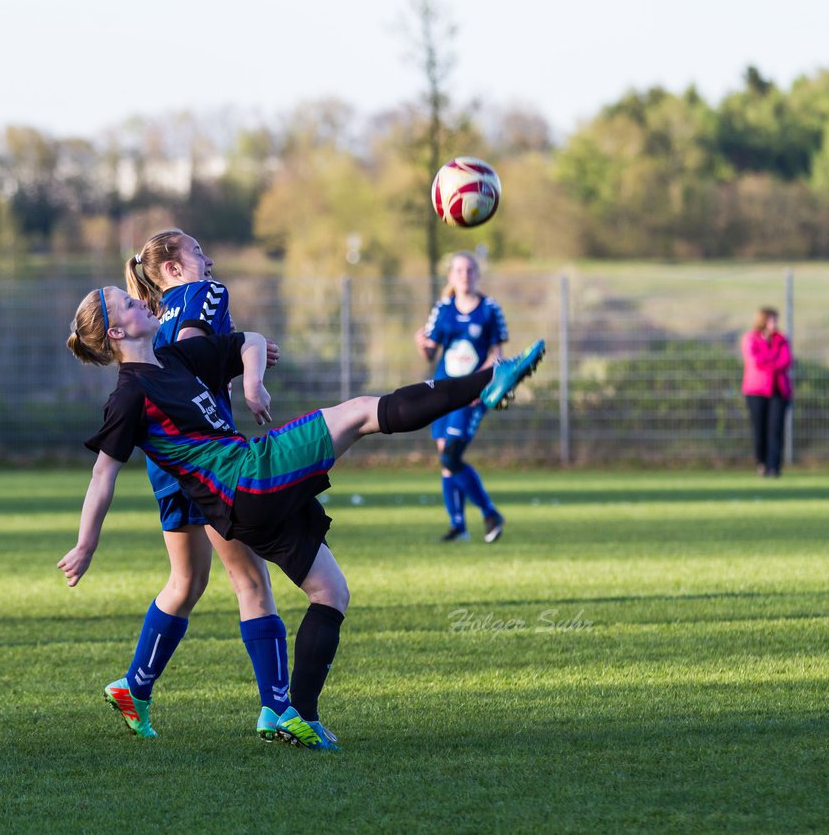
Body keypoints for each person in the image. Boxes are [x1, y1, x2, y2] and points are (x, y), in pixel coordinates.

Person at [59, 285, 545, 749]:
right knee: (358, 413)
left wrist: (253, 379)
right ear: (117, 333)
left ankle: (300, 716)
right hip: (248, 479)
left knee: (331, 591)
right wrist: (86, 544)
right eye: (126, 303)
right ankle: (488, 380)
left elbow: (244, 343)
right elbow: (104, 473)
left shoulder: (174, 358)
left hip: (248, 496)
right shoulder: (128, 396)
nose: (139, 300)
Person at [112, 229, 289, 743]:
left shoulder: (153, 315)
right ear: (171, 268)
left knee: (186, 583)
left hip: (164, 459)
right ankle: (277, 710)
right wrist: (239, 358)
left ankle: (134, 689)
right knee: (251, 582)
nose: (208, 260)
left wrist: (236, 354)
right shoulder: (203, 294)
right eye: (197, 253)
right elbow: (192, 355)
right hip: (203, 454)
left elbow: (176, 360)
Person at [416, 251, 510, 543]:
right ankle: (459, 526)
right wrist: (421, 343)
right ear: (450, 276)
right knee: (446, 459)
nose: (464, 275)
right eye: (459, 270)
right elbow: (431, 352)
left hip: (471, 396)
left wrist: (478, 385)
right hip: (443, 392)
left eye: (469, 270)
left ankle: (489, 512)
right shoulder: (442, 309)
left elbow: (496, 354)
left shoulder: (489, 309)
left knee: (451, 455)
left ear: (477, 274)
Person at [741, 306, 792, 478]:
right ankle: (761, 464)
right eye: (772, 320)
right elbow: (756, 361)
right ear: (763, 320)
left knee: (776, 430)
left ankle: (774, 468)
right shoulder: (751, 339)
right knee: (760, 430)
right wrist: (774, 362)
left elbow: (785, 360)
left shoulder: (781, 340)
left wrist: (769, 362)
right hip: (757, 391)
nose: (775, 323)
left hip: (778, 391)